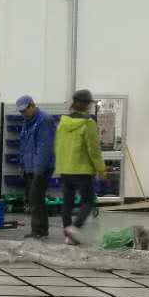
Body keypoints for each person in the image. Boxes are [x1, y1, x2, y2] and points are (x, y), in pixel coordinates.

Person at [54, 89, 105, 245]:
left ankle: (68, 234)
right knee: (88, 201)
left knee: (67, 203)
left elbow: (58, 146)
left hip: (65, 168)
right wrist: (101, 169)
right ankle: (74, 229)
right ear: (87, 105)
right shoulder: (88, 123)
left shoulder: (63, 123)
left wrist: (61, 164)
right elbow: (94, 149)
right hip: (82, 169)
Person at [15, 95, 56, 240]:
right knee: (36, 198)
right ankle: (41, 230)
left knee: (35, 199)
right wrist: (22, 165)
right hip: (30, 166)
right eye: (21, 112)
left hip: (42, 167)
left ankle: (38, 231)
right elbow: (24, 145)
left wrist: (39, 170)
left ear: (32, 105)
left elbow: (44, 147)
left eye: (25, 110)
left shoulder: (44, 120)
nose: (23, 114)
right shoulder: (28, 121)